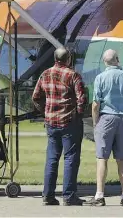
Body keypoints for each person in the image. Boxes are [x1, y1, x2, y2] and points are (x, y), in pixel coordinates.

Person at [32, 46, 87, 206]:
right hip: (69, 122)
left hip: (51, 122)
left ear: (55, 58)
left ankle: (48, 195)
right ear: (68, 59)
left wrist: (45, 111)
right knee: (70, 159)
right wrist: (78, 114)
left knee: (52, 158)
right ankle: (69, 196)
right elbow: (82, 99)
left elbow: (36, 97)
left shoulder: (45, 74)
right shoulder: (73, 75)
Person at [87, 49, 123, 206]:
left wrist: (96, 122)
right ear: (117, 60)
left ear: (105, 62)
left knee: (102, 158)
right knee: (122, 159)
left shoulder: (100, 78)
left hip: (106, 118)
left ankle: (99, 195)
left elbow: (96, 104)